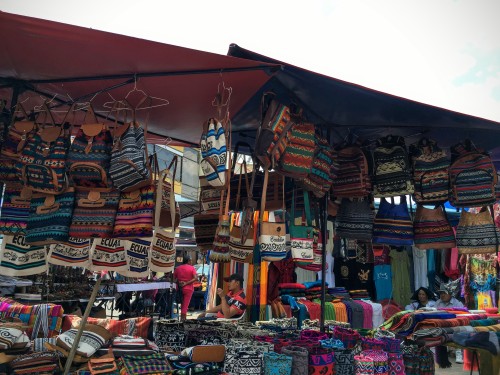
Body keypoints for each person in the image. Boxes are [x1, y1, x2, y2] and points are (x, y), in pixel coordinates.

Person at [436, 280, 464, 364]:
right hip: (441, 325)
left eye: (444, 293)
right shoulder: (437, 303)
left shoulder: (457, 304)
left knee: (460, 330)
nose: (442, 295)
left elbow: (462, 316)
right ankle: (438, 354)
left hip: (453, 325)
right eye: (441, 293)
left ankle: (459, 353)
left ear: (450, 293)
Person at [173, 254, 198, 321]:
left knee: (182, 305)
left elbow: (173, 279)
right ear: (188, 261)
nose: (191, 262)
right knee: (185, 305)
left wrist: (179, 282)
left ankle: (182, 318)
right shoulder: (192, 268)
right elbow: (195, 278)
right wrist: (186, 283)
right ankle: (183, 320)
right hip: (188, 289)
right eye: (191, 260)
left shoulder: (178, 268)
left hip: (179, 289)